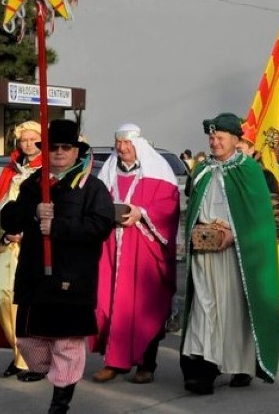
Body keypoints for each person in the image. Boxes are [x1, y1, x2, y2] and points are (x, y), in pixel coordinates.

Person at [0, 119, 114, 414]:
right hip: (35, 275)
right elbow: (9, 220)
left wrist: (58, 226)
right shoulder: (33, 184)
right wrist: (33, 211)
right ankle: (56, 375)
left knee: (66, 343)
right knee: (28, 340)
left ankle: (60, 402)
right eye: (53, 147)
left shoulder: (92, 187)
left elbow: (100, 226)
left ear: (77, 151)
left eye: (66, 147)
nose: (60, 152)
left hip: (71, 276)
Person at [180, 113, 279, 395]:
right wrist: (200, 227)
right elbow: (193, 206)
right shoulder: (202, 170)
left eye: (219, 138)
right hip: (205, 251)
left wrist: (232, 234)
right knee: (203, 308)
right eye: (211, 138)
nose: (214, 142)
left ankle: (240, 365)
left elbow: (259, 218)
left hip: (236, 257)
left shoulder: (248, 171)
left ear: (236, 141)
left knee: (233, 311)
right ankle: (200, 369)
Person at [90, 124, 180, 384]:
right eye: (118, 143)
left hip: (144, 248)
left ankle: (146, 364)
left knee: (144, 306)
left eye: (127, 143)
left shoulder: (158, 170)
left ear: (138, 144)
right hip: (113, 247)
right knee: (111, 303)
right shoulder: (109, 171)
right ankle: (114, 362)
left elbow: (168, 206)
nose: (122, 148)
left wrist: (142, 214)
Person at [0, 121, 45, 382]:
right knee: (2, 297)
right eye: (23, 140)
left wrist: (28, 233)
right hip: (7, 244)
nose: (27, 144)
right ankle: (19, 354)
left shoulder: (49, 171)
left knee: (29, 303)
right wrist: (6, 229)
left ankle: (31, 359)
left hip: (32, 248)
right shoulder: (10, 171)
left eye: (33, 139)